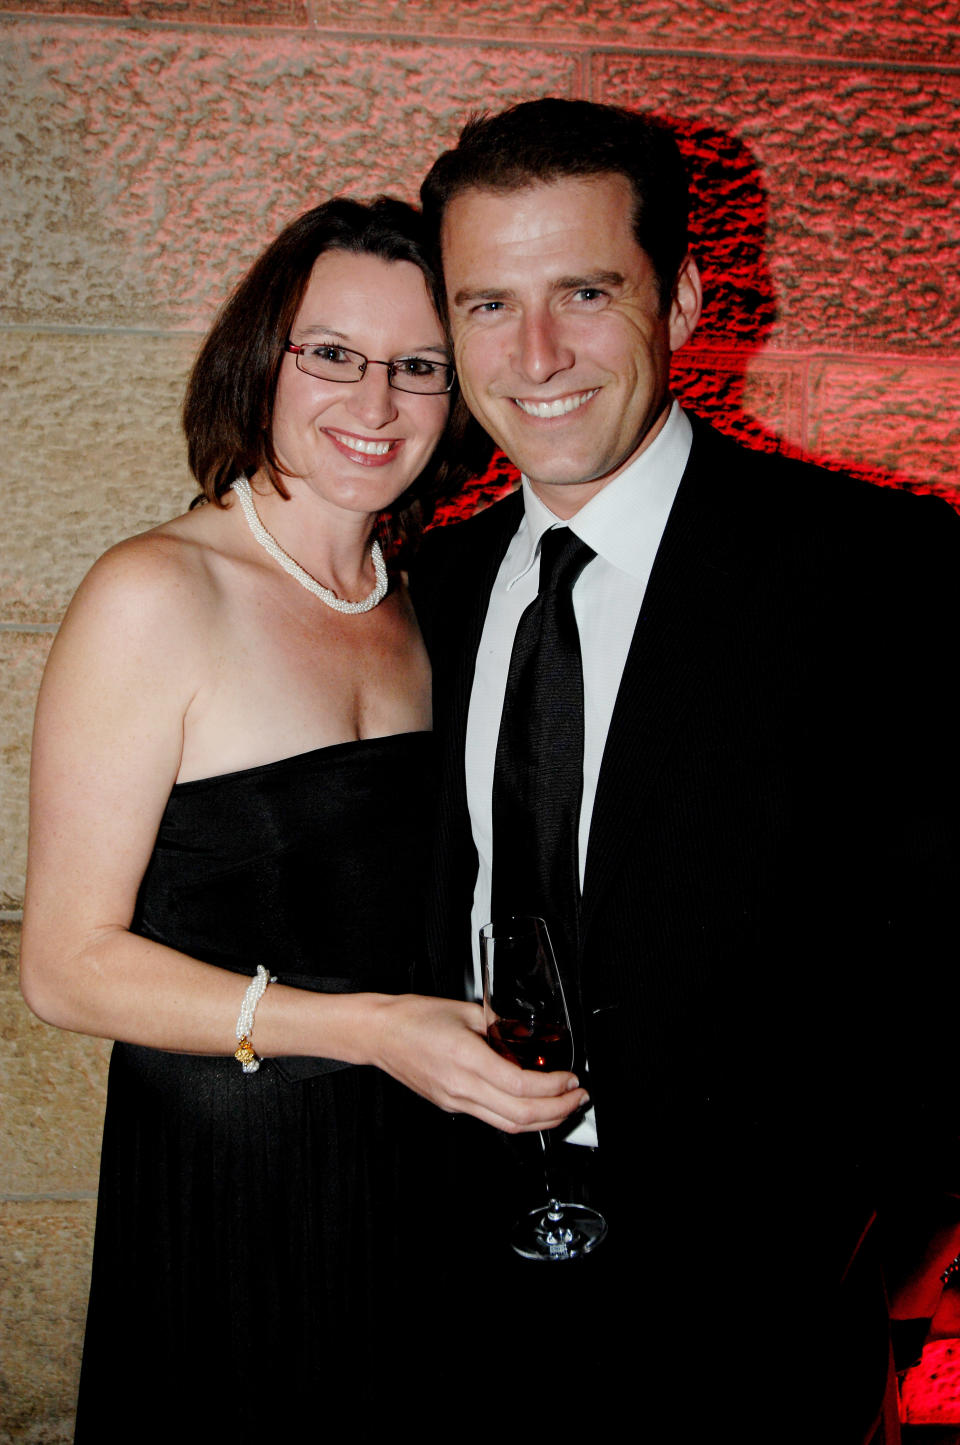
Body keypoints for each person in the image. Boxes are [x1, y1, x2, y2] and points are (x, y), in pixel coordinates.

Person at [412, 100, 960, 1441]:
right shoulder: (430, 581)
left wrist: (856, 1224)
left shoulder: (883, 570)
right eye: (487, 304)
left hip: (756, 1295)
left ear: (689, 300)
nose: (534, 354)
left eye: (584, 292)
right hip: (451, 1259)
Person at [19, 196, 588, 1441]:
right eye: (331, 352)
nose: (374, 401)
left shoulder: (436, 597)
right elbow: (64, 967)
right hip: (231, 1186)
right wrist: (372, 1028)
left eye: (418, 366)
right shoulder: (157, 590)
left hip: (417, 1167)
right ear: (259, 358)